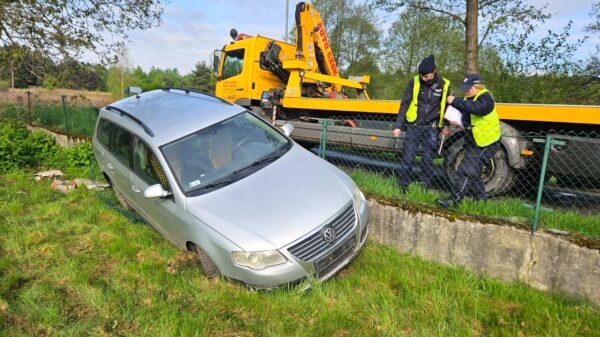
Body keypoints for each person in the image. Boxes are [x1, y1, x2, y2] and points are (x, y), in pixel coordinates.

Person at [437, 74, 502, 208]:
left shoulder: (486, 97)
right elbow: (469, 118)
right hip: (476, 141)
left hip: (487, 142)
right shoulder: (470, 98)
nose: (465, 91)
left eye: (468, 88)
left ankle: (455, 200)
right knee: (474, 173)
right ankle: (480, 201)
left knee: (465, 170)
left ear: (477, 86)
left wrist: (455, 101)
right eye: (464, 88)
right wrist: (459, 123)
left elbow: (478, 109)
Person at [393, 55, 451, 192]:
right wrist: (398, 125)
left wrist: (446, 125)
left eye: (427, 76)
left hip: (431, 128)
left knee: (427, 160)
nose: (424, 79)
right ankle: (403, 185)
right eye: (422, 76)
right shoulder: (414, 82)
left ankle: (424, 186)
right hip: (414, 126)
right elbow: (404, 104)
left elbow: (447, 106)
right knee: (408, 158)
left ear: (434, 71)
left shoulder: (444, 84)